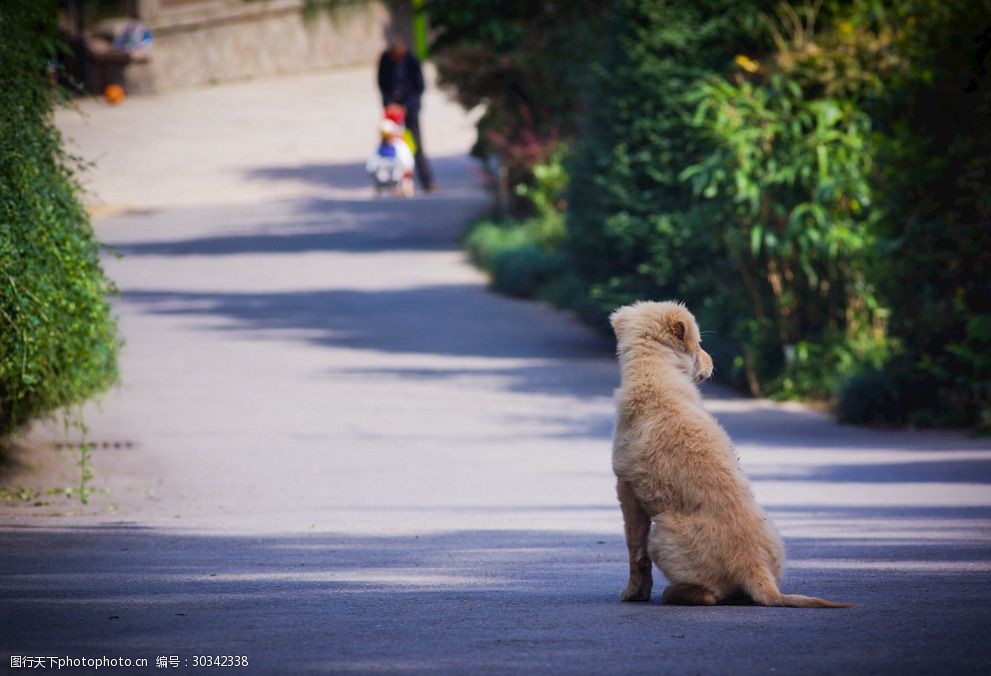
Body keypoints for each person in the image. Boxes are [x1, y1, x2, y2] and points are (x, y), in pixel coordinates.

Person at [377, 36, 434, 191]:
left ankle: (427, 182)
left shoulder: (412, 61)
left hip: (410, 109)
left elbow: (419, 88)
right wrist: (390, 105)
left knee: (415, 145)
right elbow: (382, 84)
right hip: (391, 110)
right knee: (390, 146)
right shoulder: (386, 59)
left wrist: (405, 107)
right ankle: (392, 183)